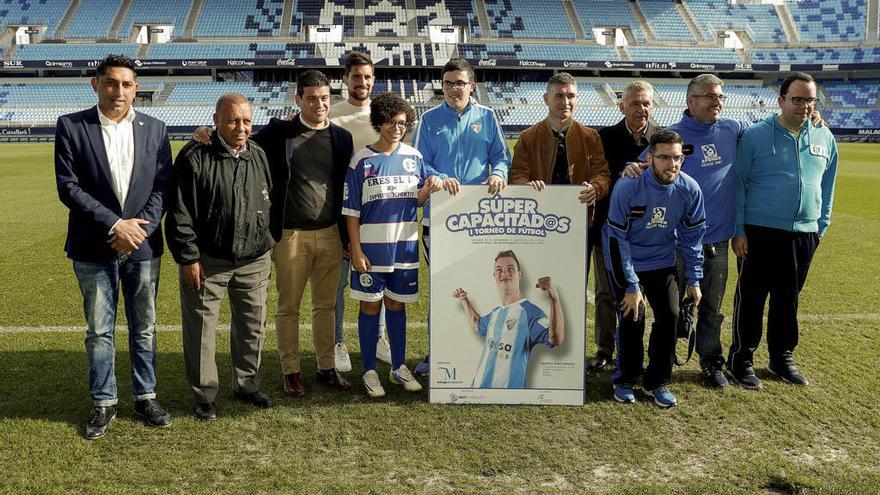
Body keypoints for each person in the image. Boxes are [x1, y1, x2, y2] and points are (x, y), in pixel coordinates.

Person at [192, 71, 354, 397]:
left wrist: (347, 239)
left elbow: (343, 189)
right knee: (289, 307)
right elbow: (239, 139)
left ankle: (326, 367)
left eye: (324, 98)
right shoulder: (280, 132)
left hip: (330, 235)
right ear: (298, 100)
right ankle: (290, 371)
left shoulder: (341, 138)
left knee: (326, 307)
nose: (319, 104)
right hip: (290, 236)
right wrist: (207, 132)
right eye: (311, 98)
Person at [54, 54, 172, 439]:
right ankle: (104, 402)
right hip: (93, 247)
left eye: (126, 84)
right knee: (100, 329)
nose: (118, 91)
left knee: (145, 327)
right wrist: (114, 225)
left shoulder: (156, 129)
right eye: (110, 83)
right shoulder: (72, 126)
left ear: (136, 88)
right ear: (96, 84)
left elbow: (161, 188)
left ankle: (145, 397)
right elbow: (68, 187)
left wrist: (138, 230)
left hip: (143, 246)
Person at [627, 74, 746, 388]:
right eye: (709, 96)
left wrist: (812, 118)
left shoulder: (733, 129)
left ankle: (711, 363)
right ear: (690, 101)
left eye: (720, 96)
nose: (717, 101)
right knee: (670, 312)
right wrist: (631, 169)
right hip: (675, 242)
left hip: (717, 241)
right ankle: (662, 363)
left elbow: (764, 134)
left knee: (712, 309)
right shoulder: (673, 136)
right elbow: (641, 170)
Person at [166, 94, 276, 421]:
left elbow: (268, 197)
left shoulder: (258, 154)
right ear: (215, 120)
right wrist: (188, 257)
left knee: (252, 326)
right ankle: (205, 394)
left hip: (254, 259)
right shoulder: (194, 155)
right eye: (232, 120)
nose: (240, 127)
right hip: (207, 260)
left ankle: (247, 384)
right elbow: (180, 212)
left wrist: (265, 241)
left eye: (246, 121)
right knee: (201, 329)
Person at [728, 72, 838, 389]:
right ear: (782, 100)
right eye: (798, 99)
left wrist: (821, 225)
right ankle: (741, 359)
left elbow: (828, 185)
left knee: (787, 300)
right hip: (759, 232)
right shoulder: (755, 135)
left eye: (810, 99)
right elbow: (739, 183)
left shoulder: (823, 137)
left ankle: (781, 357)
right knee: (751, 299)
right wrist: (739, 229)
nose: (804, 105)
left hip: (804, 234)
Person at [412, 57, 512, 375]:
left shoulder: (487, 116)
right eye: (448, 83)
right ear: (442, 86)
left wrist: (497, 173)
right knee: (444, 287)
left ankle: (474, 350)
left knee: (476, 286)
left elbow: (501, 156)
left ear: (472, 85)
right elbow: (419, 162)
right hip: (437, 219)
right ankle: (437, 352)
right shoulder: (428, 120)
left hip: (479, 219)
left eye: (460, 82)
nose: (454, 89)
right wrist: (437, 176)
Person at [343, 92, 442, 397]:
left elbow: (418, 199)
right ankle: (370, 370)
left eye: (401, 123)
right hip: (371, 252)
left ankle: (399, 366)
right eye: (390, 122)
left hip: (404, 248)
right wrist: (356, 250)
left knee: (397, 305)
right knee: (370, 306)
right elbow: (351, 211)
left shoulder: (415, 157)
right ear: (379, 122)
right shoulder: (361, 159)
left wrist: (431, 185)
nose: (397, 128)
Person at [603, 130, 706, 408]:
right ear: (650, 158)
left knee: (670, 316)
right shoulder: (627, 187)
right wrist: (632, 285)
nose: (671, 164)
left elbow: (692, 238)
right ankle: (625, 379)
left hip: (662, 261)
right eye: (663, 158)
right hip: (626, 260)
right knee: (632, 315)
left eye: (676, 158)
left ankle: (657, 381)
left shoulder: (690, 190)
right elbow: (617, 241)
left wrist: (694, 278)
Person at [329, 51, 392, 372]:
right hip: (342, 213)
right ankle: (338, 342)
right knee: (339, 283)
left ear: (373, 80)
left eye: (367, 77)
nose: (362, 82)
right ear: (345, 79)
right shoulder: (333, 115)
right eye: (356, 76)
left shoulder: (384, 115)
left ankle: (380, 337)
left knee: (377, 277)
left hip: (378, 214)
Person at [591, 80, 659, 373]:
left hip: (649, 236)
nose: (640, 109)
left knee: (639, 295)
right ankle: (605, 349)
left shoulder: (663, 140)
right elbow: (597, 176)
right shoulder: (604, 137)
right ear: (621, 106)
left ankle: (632, 352)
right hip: (609, 232)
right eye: (634, 103)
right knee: (606, 294)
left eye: (645, 103)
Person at [508, 71, 610, 227]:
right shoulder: (528, 137)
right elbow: (517, 174)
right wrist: (526, 187)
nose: (566, 102)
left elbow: (601, 174)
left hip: (579, 218)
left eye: (571, 96)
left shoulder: (590, 137)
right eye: (559, 96)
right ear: (546, 99)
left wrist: (595, 188)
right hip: (538, 217)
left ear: (577, 99)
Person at [452, 250, 564, 388]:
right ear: (494, 276)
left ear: (520, 274)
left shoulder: (530, 313)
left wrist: (554, 298)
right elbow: (477, 324)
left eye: (510, 268)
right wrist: (464, 300)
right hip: (477, 392)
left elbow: (556, 339)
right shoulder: (496, 313)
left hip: (507, 400)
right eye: (499, 269)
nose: (504, 272)